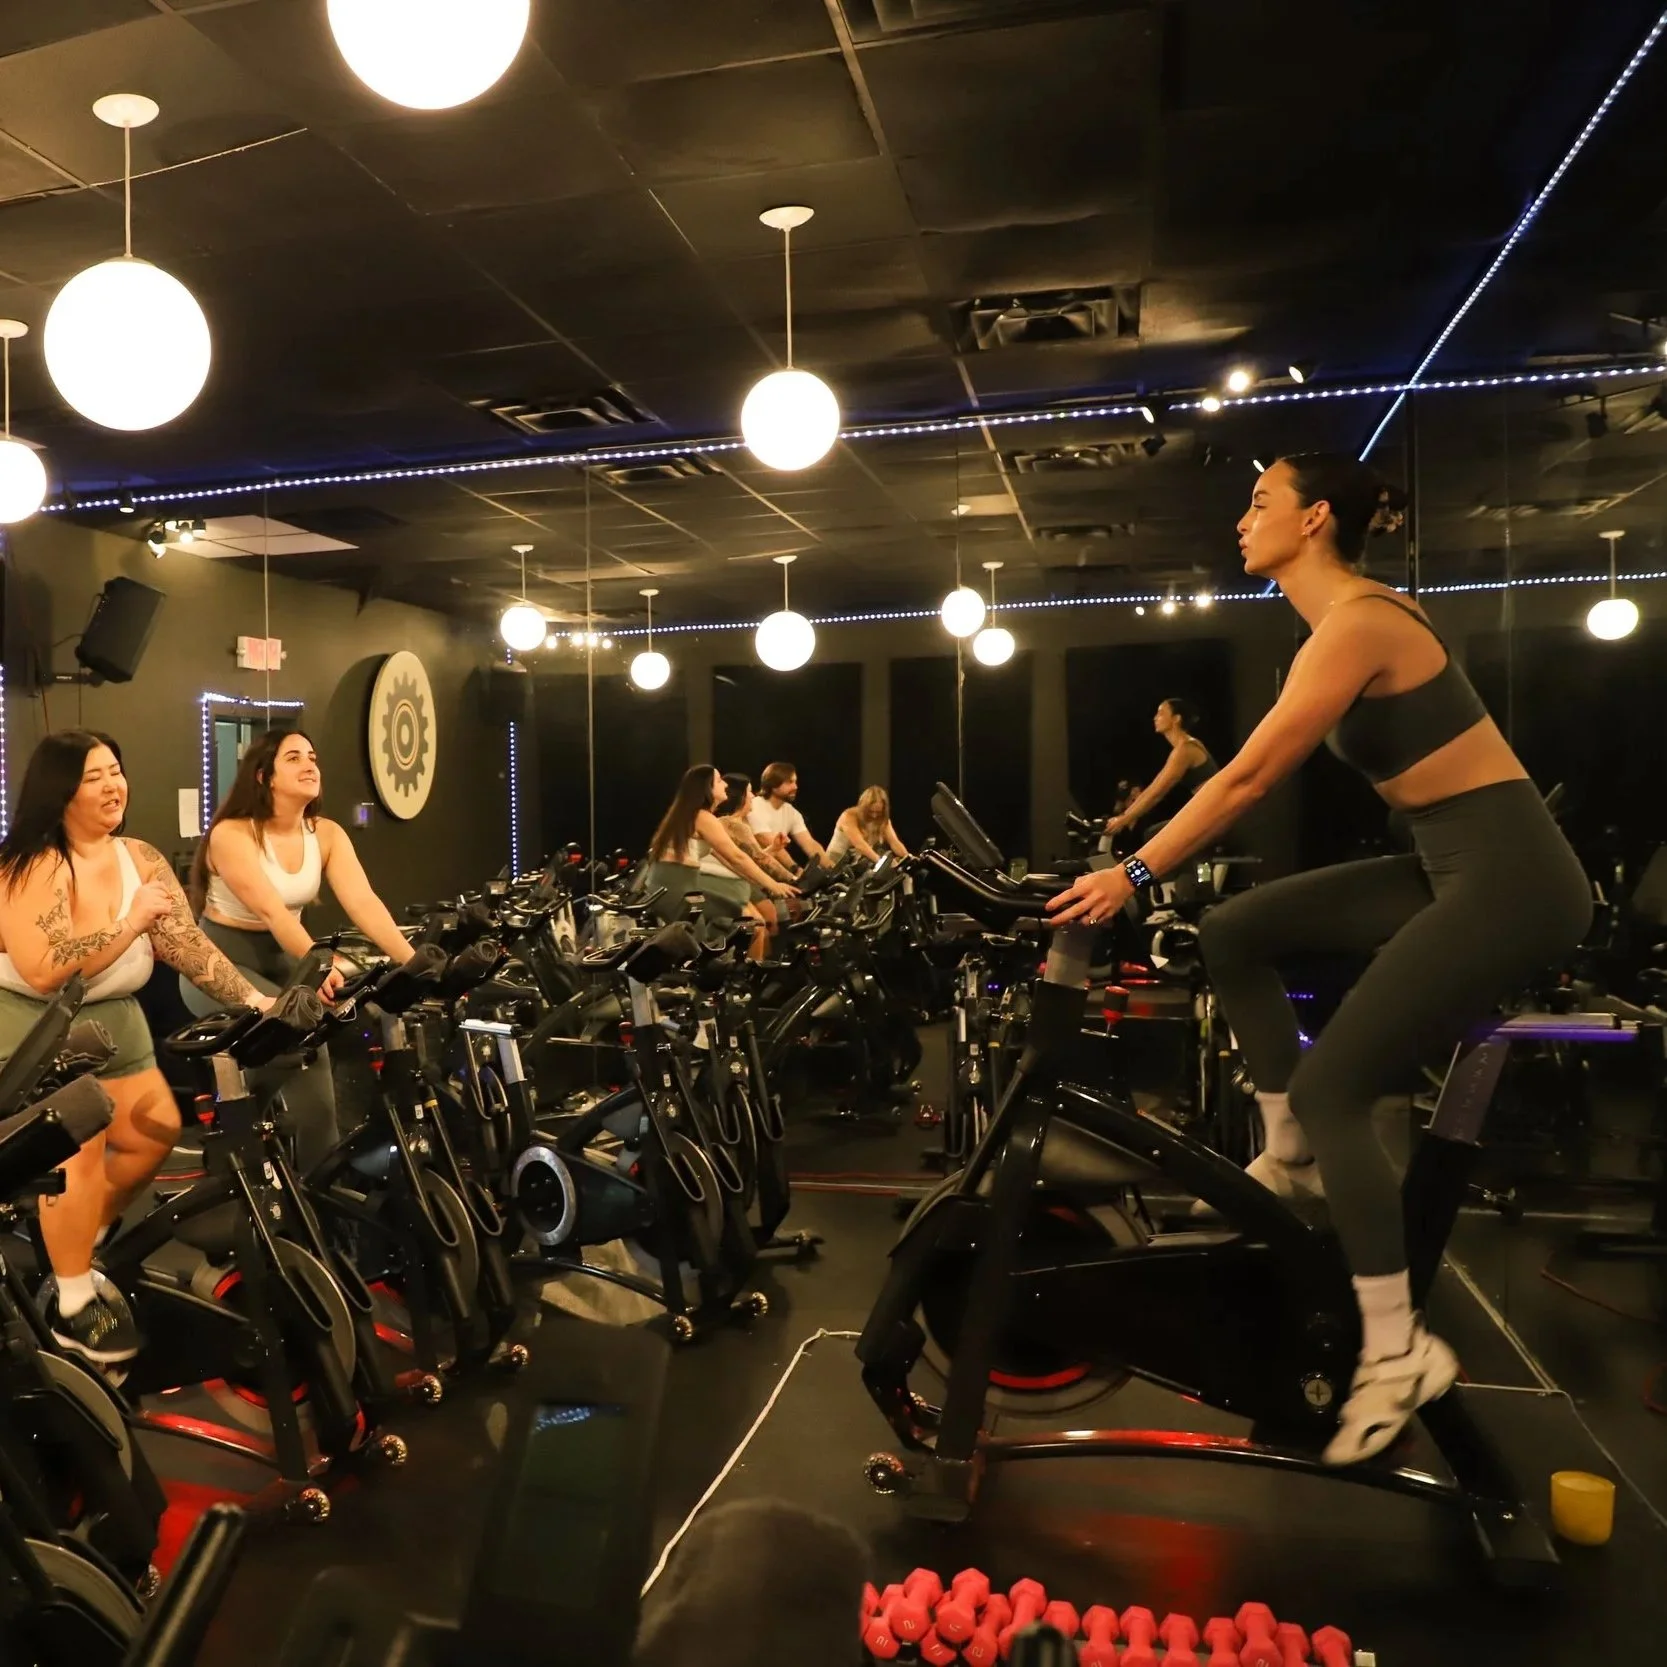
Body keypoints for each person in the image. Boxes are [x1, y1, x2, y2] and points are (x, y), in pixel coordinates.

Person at [1047, 453, 1591, 1465]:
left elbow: (1247, 778)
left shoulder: (1359, 623)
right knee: (1232, 932)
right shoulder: (1336, 625)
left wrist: (1132, 871)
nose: (1240, 519)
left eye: (1260, 502)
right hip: (1444, 861)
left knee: (1337, 1084)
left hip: (1512, 878)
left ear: (1314, 519)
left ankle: (1396, 1350)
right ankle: (1289, 1147)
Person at [0, 730, 276, 1364]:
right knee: (80, 1151)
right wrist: (129, 923)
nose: (112, 785)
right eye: (93, 776)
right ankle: (73, 1304)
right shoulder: (32, 863)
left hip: (117, 1021)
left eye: (115, 771)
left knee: (155, 1133)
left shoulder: (139, 858)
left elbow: (186, 946)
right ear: (60, 790)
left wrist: (253, 1000)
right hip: (38, 1028)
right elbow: (44, 968)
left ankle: (78, 1245)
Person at [185, 730, 417, 1167]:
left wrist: (415, 962)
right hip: (222, 962)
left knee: (327, 1049)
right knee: (292, 1041)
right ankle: (243, 1135)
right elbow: (273, 913)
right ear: (264, 776)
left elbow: (364, 903)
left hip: (284, 959)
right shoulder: (231, 834)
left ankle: (324, 1181)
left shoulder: (326, 833)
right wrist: (321, 964)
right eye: (293, 758)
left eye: (312, 756)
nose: (309, 765)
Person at [644, 766, 795, 940]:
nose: (725, 785)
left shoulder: (696, 816)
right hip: (674, 886)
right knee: (699, 942)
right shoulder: (702, 817)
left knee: (735, 919)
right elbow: (737, 857)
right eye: (719, 781)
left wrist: (768, 883)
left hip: (673, 884)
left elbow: (730, 861)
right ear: (707, 788)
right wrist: (773, 885)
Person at [1103, 699, 1218, 841]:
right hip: (1206, 811)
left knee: (1153, 835)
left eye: (1161, 713)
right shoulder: (1182, 748)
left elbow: (1157, 793)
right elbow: (1153, 787)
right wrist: (1123, 817)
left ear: (1176, 719)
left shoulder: (1185, 749)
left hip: (1212, 813)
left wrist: (1124, 819)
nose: (1155, 718)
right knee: (1153, 834)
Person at [718, 774, 799, 937]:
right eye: (749, 792)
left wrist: (773, 849)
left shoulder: (736, 823)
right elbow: (758, 859)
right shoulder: (733, 824)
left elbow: (752, 857)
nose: (753, 796)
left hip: (739, 880)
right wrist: (795, 880)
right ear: (741, 796)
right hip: (734, 882)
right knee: (768, 920)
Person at [747, 762, 831, 869]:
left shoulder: (791, 812)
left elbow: (810, 844)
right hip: (746, 872)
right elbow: (769, 842)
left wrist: (832, 868)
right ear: (773, 783)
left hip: (768, 872)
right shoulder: (754, 806)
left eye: (795, 782)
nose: (795, 787)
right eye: (790, 782)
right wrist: (795, 869)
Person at [826, 786, 910, 865]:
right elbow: (860, 845)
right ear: (863, 807)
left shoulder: (883, 820)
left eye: (878, 812)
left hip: (855, 863)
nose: (874, 816)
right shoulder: (848, 816)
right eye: (870, 811)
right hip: (834, 862)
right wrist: (880, 862)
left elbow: (895, 843)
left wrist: (908, 858)